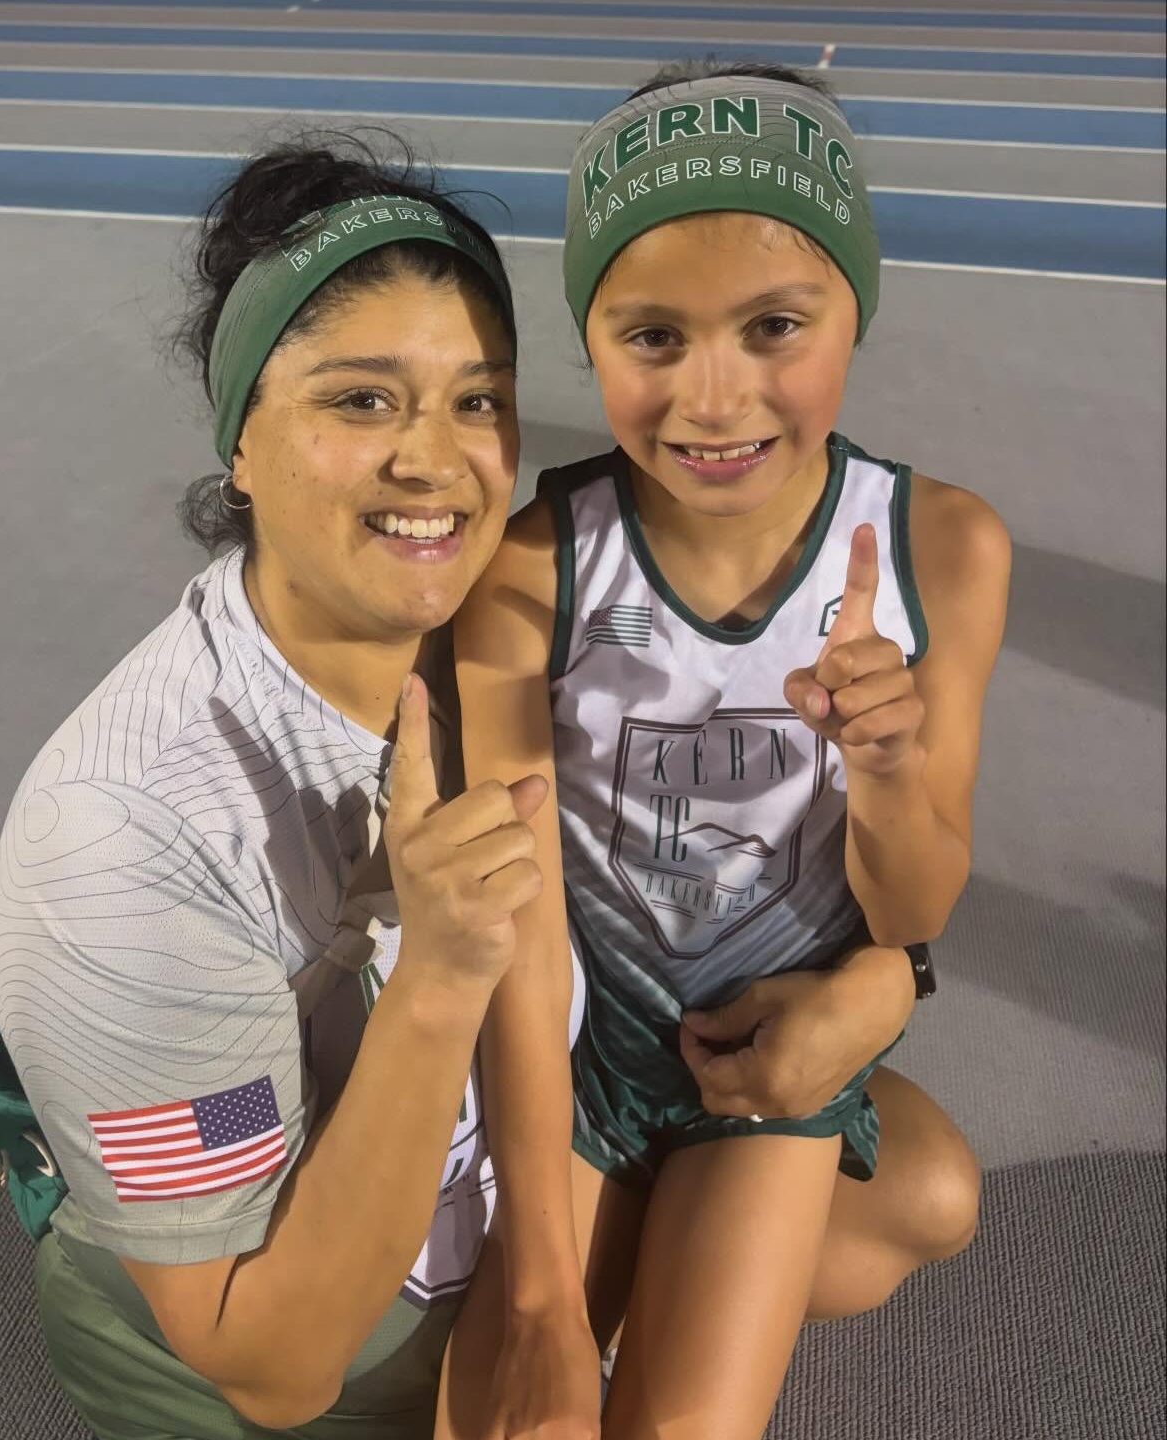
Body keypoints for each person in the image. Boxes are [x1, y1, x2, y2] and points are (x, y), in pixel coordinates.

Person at [442, 61, 1011, 1440]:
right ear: (590, 338)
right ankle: (620, 1261)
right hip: (575, 1061)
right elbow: (519, 939)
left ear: (852, 312)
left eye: (774, 327)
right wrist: (537, 1305)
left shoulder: (944, 547)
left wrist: (884, 768)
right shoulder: (529, 574)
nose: (714, 398)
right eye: (652, 337)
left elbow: (918, 908)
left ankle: (671, 1263)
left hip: (764, 1066)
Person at [0, 137, 545, 1438]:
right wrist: (443, 973)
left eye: (477, 399)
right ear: (242, 440)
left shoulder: (492, 624)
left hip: (453, 1215)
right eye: (360, 401)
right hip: (271, 1349)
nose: (436, 461)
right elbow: (270, 1358)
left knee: (892, 1188)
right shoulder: (123, 840)